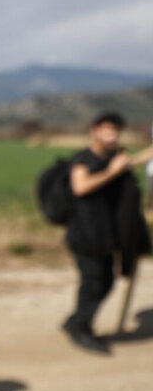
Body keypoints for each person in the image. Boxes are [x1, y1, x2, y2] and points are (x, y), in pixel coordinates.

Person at [62, 112, 153, 354]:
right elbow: (80, 187)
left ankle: (76, 322)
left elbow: (130, 163)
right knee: (94, 282)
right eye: (107, 130)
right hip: (85, 236)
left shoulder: (114, 158)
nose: (112, 136)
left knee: (105, 281)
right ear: (95, 131)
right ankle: (81, 329)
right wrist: (113, 171)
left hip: (104, 236)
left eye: (115, 131)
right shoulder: (83, 160)